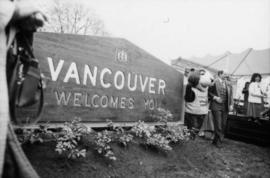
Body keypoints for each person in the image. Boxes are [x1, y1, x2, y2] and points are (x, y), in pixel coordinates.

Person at [208, 70, 233, 148]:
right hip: (216, 105)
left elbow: (231, 95)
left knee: (223, 124)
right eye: (224, 74)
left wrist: (231, 104)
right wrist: (215, 97)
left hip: (225, 106)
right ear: (220, 74)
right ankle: (218, 141)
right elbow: (208, 92)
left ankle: (215, 140)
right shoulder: (214, 82)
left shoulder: (228, 84)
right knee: (218, 124)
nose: (226, 75)